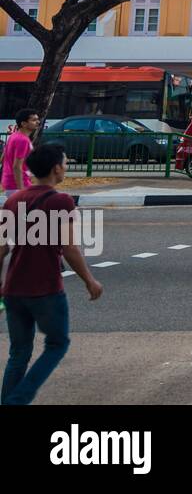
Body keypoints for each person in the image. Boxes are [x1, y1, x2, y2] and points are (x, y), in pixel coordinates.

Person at [0, 143, 103, 405]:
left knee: (19, 352)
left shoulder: (13, 200)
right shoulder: (61, 200)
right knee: (57, 344)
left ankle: (8, 402)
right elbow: (69, 247)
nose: (67, 167)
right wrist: (89, 281)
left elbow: (1, 249)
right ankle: (18, 399)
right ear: (57, 168)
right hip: (45, 288)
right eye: (66, 163)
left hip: (13, 290)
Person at [1, 109, 39, 200]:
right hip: (18, 185)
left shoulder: (14, 136)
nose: (38, 122)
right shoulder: (23, 140)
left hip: (11, 183)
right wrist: (21, 189)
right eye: (33, 120)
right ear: (24, 124)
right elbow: (17, 166)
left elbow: (3, 158)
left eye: (37, 119)